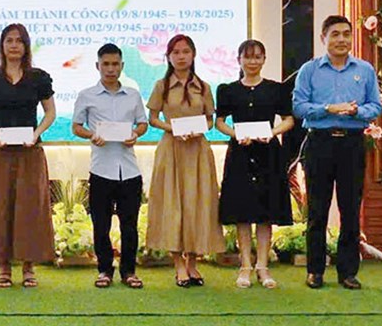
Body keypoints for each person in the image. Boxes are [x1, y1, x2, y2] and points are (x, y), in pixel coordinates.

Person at [293, 15, 382, 290]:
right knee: (317, 210)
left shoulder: (364, 70)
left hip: (351, 144)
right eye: (335, 34)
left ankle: (347, 272)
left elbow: (375, 106)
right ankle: (315, 271)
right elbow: (299, 106)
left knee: (350, 209)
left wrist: (358, 111)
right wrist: (327, 109)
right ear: (324, 38)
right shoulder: (309, 70)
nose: (341, 39)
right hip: (320, 143)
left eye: (346, 34)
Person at [0, 23, 55, 288]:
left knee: (30, 208)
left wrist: (36, 133)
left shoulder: (39, 77)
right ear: (2, 45)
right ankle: (4, 266)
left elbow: (50, 113)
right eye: (9, 40)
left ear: (26, 45)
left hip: (30, 152)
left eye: (19, 41)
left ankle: (29, 267)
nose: (14, 45)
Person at [145, 34, 225, 287]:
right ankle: (178, 264)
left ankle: (193, 263)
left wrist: (200, 128)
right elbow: (152, 118)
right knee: (173, 204)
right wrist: (172, 128)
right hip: (172, 150)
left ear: (193, 55)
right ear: (168, 57)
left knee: (198, 204)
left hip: (198, 150)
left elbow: (211, 120)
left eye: (185, 51)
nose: (181, 56)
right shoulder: (162, 85)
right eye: (176, 52)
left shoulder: (204, 86)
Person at [215, 39, 294, 289]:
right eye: (248, 57)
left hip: (268, 154)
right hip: (240, 153)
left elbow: (288, 120)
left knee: (265, 211)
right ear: (239, 60)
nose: (253, 62)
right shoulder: (228, 89)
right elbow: (219, 122)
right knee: (242, 211)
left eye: (258, 57)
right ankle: (245, 266)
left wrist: (272, 132)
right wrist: (235, 134)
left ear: (264, 59)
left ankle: (263, 266)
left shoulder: (276, 89)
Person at [72, 43, 148, 289]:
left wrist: (135, 134)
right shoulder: (86, 95)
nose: (111, 69)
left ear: (122, 66)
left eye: (115, 64)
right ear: (98, 66)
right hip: (101, 170)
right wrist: (91, 135)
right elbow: (76, 127)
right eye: (106, 64)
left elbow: (142, 124)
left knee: (129, 226)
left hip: (129, 170)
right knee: (101, 225)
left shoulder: (134, 95)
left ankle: (129, 272)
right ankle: (104, 270)